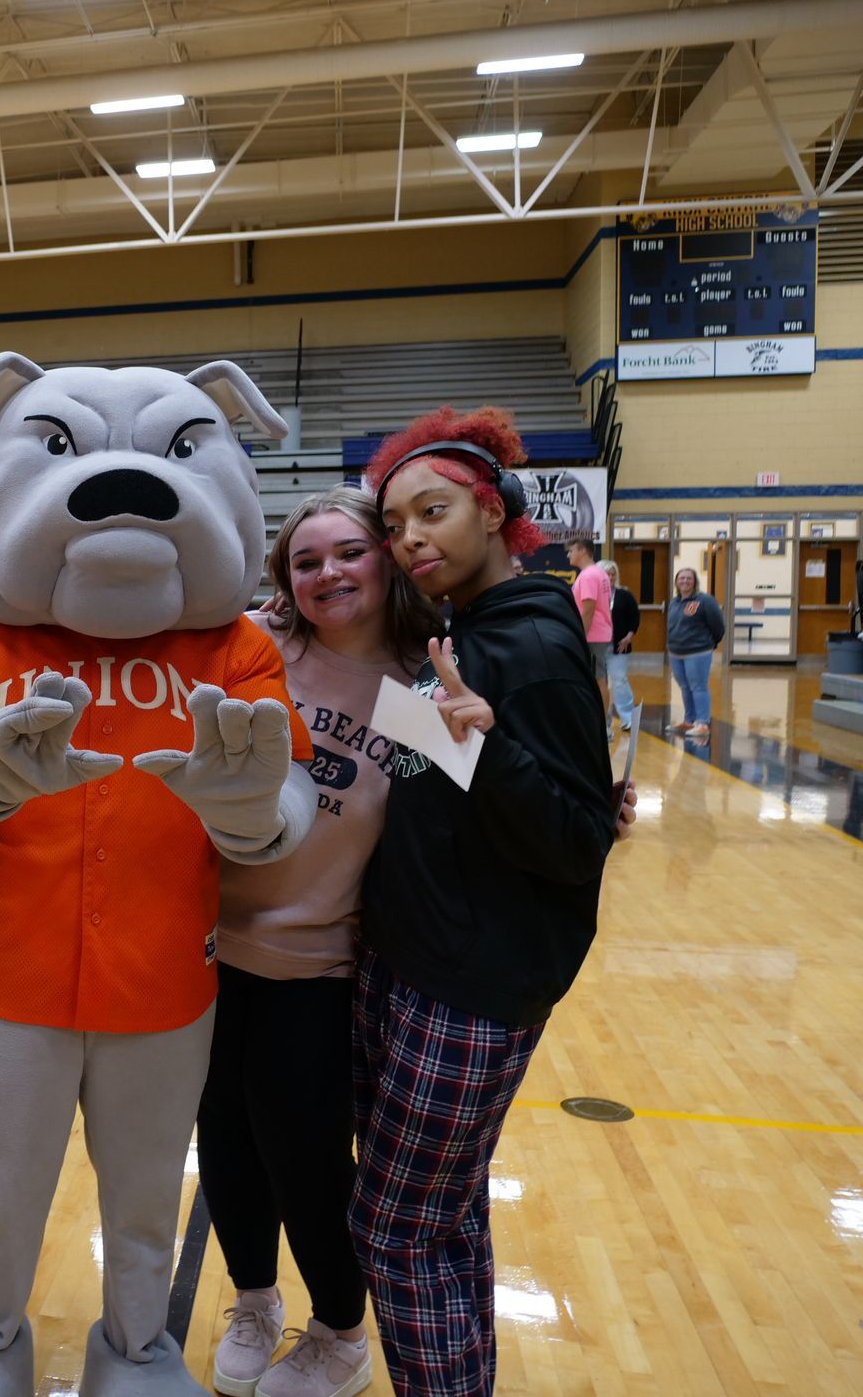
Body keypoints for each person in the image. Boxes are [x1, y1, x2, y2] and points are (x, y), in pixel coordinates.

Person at [357, 408, 614, 1397]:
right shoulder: (472, 627)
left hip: (469, 989)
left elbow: (576, 838)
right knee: (446, 1218)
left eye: (433, 513)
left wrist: (491, 745)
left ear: (493, 510)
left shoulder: (530, 648)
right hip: (425, 959)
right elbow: (439, 778)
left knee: (393, 1236)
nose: (410, 538)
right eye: (395, 525)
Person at [195, 488, 443, 1397]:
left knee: (304, 1157)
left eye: (348, 554)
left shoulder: (419, 689)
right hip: (207, 947)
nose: (328, 574)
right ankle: (254, 1300)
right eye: (306, 562)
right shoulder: (257, 650)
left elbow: (461, 817)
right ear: (284, 580)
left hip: (318, 962)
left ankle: (342, 1328)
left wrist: (589, 809)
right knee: (220, 1135)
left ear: (384, 559)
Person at [666, 567, 725, 737]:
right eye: (681, 578)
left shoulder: (705, 600)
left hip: (698, 653)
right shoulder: (674, 602)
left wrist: (710, 643)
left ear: (695, 581)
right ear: (677, 582)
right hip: (676, 653)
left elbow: (718, 626)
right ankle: (689, 721)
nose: (685, 581)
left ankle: (702, 723)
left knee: (698, 687)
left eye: (688, 578)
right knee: (685, 687)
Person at [566, 538, 613, 721]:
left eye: (571, 551)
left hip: (592, 636)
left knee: (598, 679)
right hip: (598, 635)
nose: (569, 555)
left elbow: (588, 609)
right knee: (598, 679)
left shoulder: (588, 575)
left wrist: (580, 636)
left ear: (583, 551)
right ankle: (600, 722)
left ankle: (602, 725)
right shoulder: (598, 573)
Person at [601, 559, 639, 734]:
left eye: (612, 574)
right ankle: (603, 719)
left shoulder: (625, 595)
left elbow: (635, 618)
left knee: (620, 680)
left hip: (619, 647)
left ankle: (627, 718)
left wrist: (629, 636)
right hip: (597, 647)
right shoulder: (592, 595)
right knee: (600, 683)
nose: (610, 577)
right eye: (606, 573)